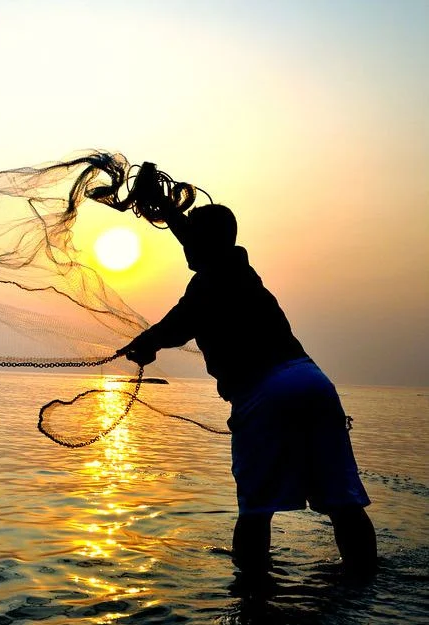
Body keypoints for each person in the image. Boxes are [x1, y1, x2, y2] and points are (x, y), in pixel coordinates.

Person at [121, 201, 377, 578]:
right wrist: (168, 213)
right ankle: (365, 590)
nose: (186, 246)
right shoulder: (241, 271)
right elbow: (201, 242)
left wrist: (144, 343)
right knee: (344, 505)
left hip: (264, 392)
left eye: (192, 239)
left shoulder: (206, 285)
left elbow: (174, 326)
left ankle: (252, 597)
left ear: (204, 244)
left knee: (256, 512)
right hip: (314, 382)